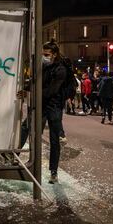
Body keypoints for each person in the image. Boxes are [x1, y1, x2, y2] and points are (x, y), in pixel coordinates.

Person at [41, 39, 68, 184]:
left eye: (46, 54)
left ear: (55, 54)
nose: (44, 57)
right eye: (43, 54)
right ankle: (15, 155)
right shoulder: (45, 66)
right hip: (42, 105)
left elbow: (51, 91)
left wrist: (34, 92)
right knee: (27, 127)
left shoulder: (60, 69)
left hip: (54, 107)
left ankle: (54, 172)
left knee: (54, 140)